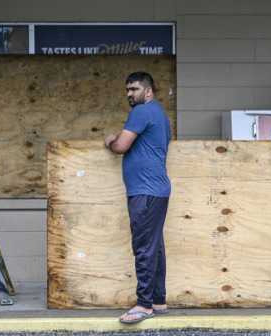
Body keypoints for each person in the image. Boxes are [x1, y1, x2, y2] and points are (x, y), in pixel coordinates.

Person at [104, 71, 171, 324]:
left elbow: (121, 146)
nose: (130, 94)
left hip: (145, 191)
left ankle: (143, 305)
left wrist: (110, 139)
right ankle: (158, 300)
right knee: (155, 248)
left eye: (134, 89)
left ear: (148, 91)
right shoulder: (161, 116)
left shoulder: (142, 112)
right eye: (128, 90)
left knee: (144, 248)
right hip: (156, 190)